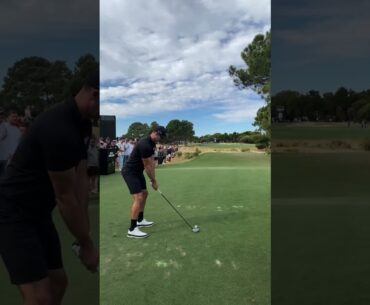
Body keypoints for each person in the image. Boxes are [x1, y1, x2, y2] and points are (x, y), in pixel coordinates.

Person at [0, 72, 99, 305]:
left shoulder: (82, 124)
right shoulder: (59, 128)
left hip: (38, 214)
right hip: (12, 213)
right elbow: (64, 196)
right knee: (40, 297)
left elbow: (81, 179)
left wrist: (85, 233)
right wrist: (86, 244)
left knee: (57, 282)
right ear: (95, 95)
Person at [121, 126, 166, 238]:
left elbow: (151, 163)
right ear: (155, 133)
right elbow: (147, 166)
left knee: (145, 193)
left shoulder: (151, 144)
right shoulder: (145, 144)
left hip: (137, 172)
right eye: (160, 136)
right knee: (139, 197)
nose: (160, 138)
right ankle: (132, 229)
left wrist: (154, 179)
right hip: (130, 172)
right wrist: (153, 180)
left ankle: (140, 220)